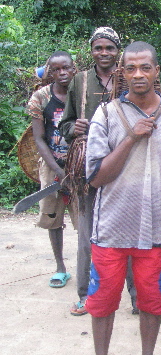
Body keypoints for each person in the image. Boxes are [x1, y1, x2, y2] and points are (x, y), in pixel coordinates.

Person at [84, 41, 161, 355]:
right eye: (130, 68)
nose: (138, 74)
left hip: (155, 233)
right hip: (110, 230)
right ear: (121, 73)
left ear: (157, 71)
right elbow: (96, 177)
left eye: (145, 67)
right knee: (102, 303)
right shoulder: (106, 114)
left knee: (151, 303)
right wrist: (131, 137)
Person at [58, 27, 138, 317]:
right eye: (98, 48)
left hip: (126, 169)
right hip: (88, 171)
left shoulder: (130, 76)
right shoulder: (79, 81)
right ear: (91, 50)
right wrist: (72, 129)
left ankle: (136, 298)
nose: (104, 53)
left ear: (118, 51)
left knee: (129, 234)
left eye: (109, 48)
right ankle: (86, 296)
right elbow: (64, 125)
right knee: (88, 236)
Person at [26, 51, 78, 288]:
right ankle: (60, 267)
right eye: (56, 69)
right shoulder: (41, 98)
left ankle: (90, 266)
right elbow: (39, 138)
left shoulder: (82, 93)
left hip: (81, 165)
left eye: (66, 68)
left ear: (73, 68)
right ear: (50, 72)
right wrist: (57, 169)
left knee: (85, 218)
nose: (62, 73)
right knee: (52, 217)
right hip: (52, 164)